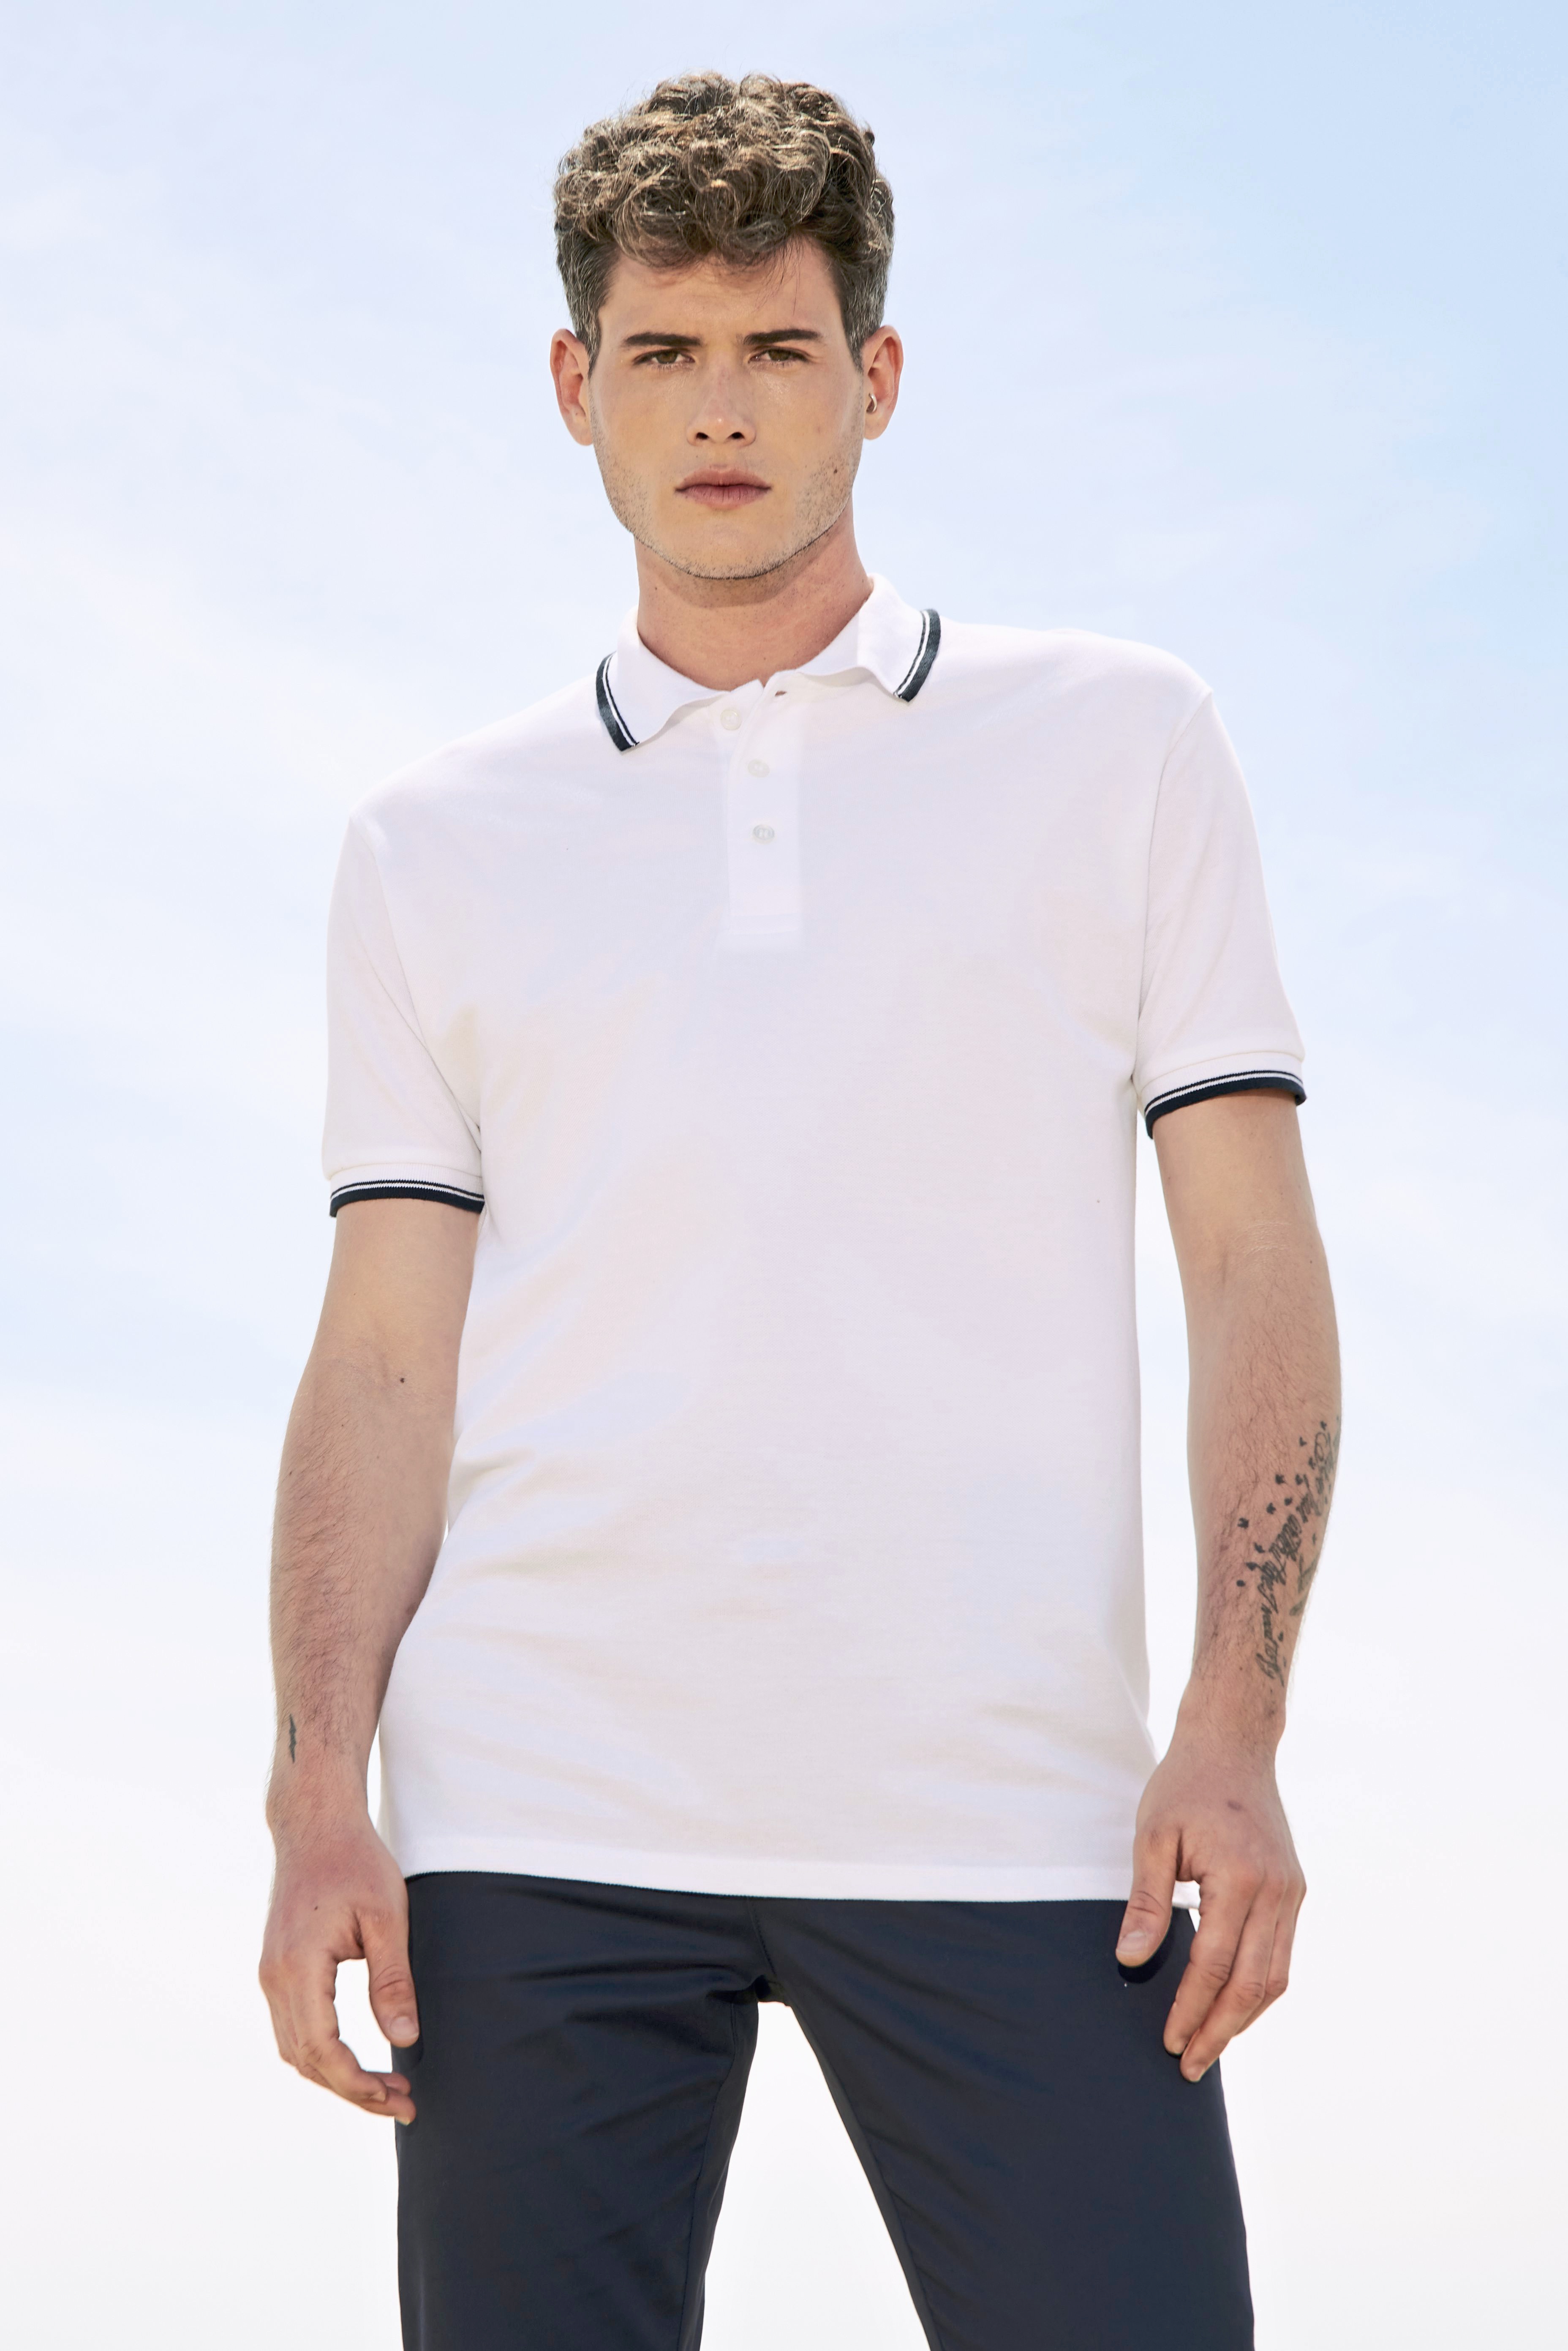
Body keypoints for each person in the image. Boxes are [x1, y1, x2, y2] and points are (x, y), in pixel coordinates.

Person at [259, 70, 1339, 2351]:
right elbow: (380, 1356)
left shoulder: (1126, 746)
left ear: (879, 374)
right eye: (664, 351)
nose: (722, 408)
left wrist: (1236, 1726)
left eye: (777, 346)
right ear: (579, 386)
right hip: (537, 1819)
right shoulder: (431, 844)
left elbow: (1252, 1264)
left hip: (1021, 1818)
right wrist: (316, 1792)